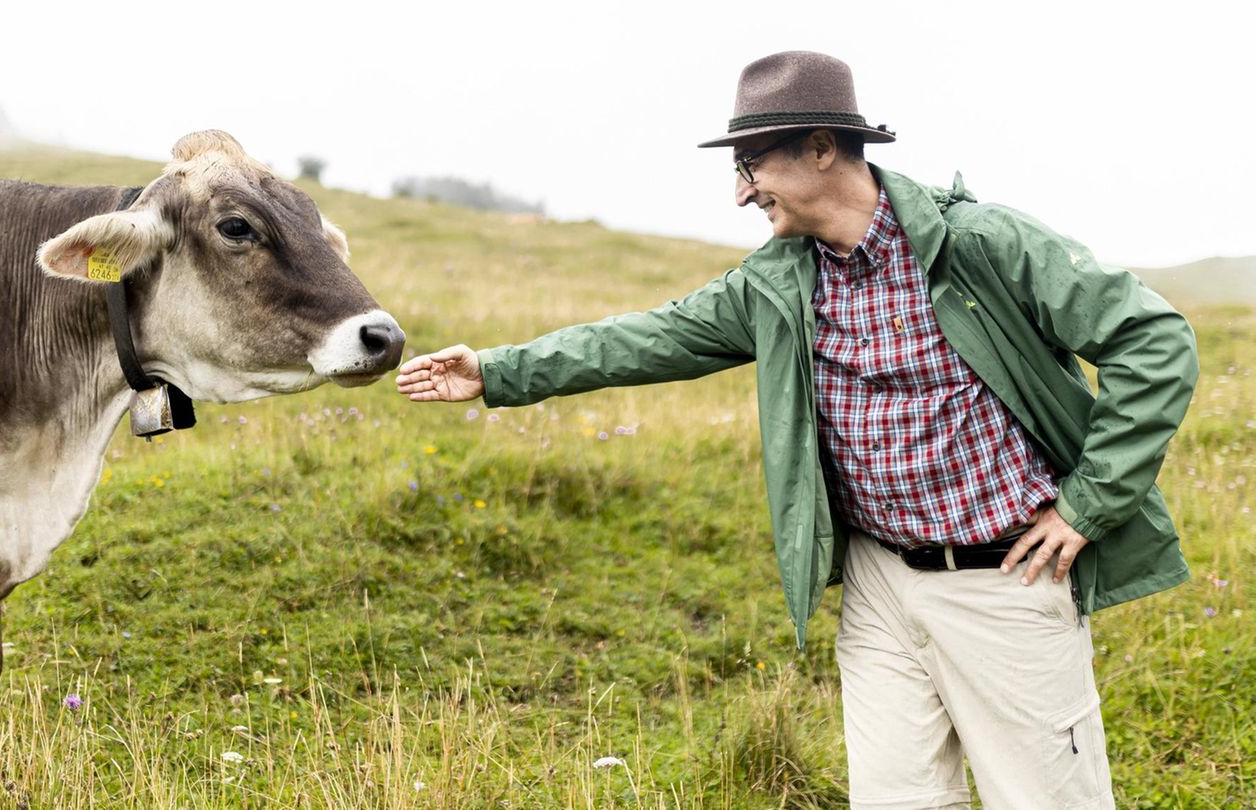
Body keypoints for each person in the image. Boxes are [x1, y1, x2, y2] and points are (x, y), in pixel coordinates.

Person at [394, 51, 1197, 810]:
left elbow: (1154, 341)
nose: (742, 194)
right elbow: (642, 339)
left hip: (1007, 582)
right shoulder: (777, 280)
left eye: (751, 166)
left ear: (821, 149)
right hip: (879, 585)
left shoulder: (983, 243)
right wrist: (496, 371)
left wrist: (1088, 505)